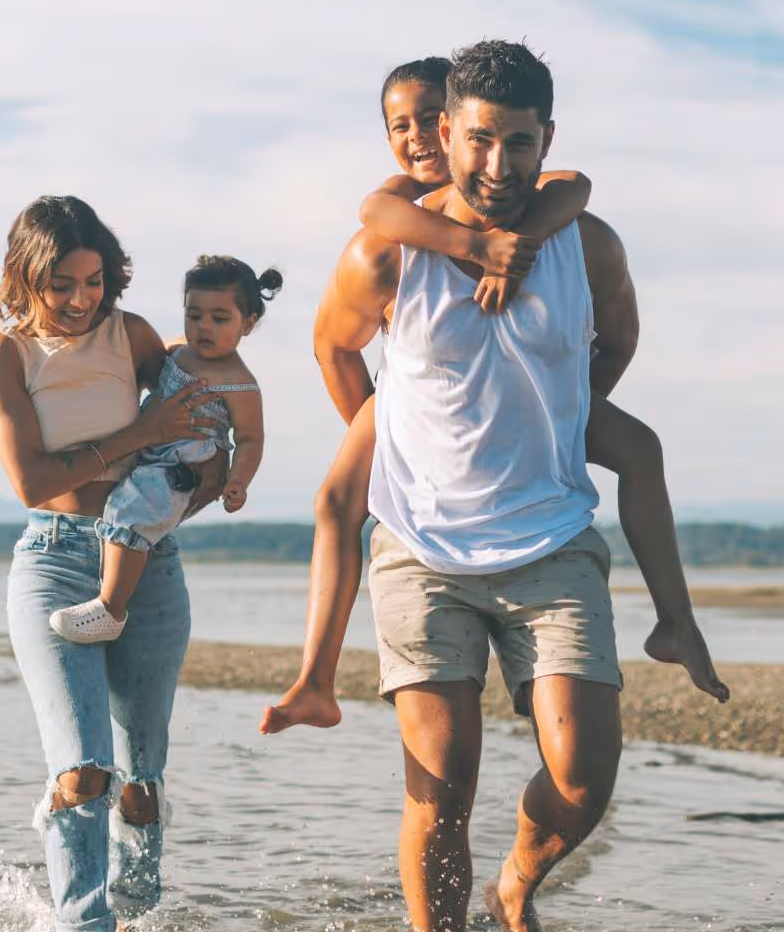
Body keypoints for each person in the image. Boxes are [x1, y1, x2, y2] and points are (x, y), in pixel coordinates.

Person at [301, 40, 696, 932]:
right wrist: (388, 429)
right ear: (448, 133)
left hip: (551, 537)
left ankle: (515, 887)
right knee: (442, 787)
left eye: (520, 143)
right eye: (479, 140)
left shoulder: (583, 244)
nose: (498, 163)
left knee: (585, 777)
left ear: (545, 139)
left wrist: (555, 412)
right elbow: (332, 346)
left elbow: (619, 339)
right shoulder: (387, 253)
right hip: (419, 548)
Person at [260, 56, 726, 739]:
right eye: (403, 126)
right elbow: (369, 223)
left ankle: (675, 618)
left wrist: (561, 407)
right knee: (336, 501)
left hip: (533, 404)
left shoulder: (543, 201)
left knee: (639, 448)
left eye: (428, 120)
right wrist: (473, 250)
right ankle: (315, 679)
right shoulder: (396, 205)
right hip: (416, 404)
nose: (418, 138)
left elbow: (576, 186)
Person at [0, 195, 226, 932]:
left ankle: (139, 920)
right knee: (85, 771)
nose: (82, 300)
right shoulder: (6, 354)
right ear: (26, 278)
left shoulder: (136, 336)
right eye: (62, 284)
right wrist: (141, 434)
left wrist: (192, 486)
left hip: (147, 563)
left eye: (94, 282)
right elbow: (31, 481)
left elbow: (203, 428)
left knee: (140, 782)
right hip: (52, 561)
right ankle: (82, 931)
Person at [50, 255, 280, 644]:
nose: (203, 327)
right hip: (148, 449)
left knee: (131, 513)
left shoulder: (240, 383)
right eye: (194, 315)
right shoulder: (176, 352)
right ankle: (109, 589)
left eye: (220, 319)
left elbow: (251, 438)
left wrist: (239, 480)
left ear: (248, 322)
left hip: (182, 465)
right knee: (120, 506)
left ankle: (111, 608)